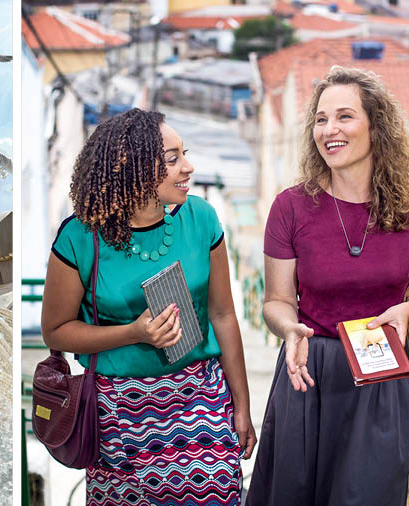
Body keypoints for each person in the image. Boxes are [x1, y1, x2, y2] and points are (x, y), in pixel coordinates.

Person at [246, 66, 409, 506]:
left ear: (376, 127)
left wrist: (407, 312)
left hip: (383, 373)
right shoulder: (290, 207)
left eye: (344, 117)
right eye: (321, 119)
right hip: (308, 373)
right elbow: (278, 300)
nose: (329, 130)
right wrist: (288, 328)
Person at [41, 108, 256, 506]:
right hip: (116, 411)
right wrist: (134, 333)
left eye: (183, 154)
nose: (187, 167)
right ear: (132, 168)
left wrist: (241, 407)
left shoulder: (202, 219)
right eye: (172, 159)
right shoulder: (79, 236)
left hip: (200, 398)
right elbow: (55, 330)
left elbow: (223, 315)